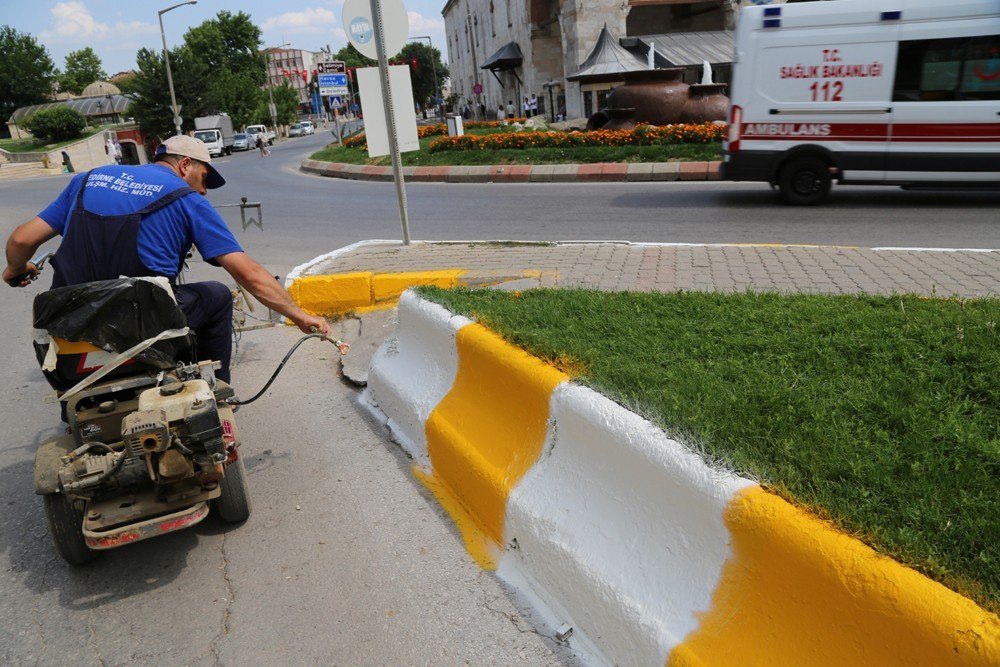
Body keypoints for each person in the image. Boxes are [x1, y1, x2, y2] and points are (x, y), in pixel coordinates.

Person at [3, 135, 330, 386]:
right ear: (185, 165)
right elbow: (249, 274)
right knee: (216, 296)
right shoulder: (187, 200)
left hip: (70, 324)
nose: (204, 191)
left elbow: (21, 240)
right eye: (204, 178)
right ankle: (218, 392)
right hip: (142, 324)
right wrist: (298, 315)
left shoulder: (86, 180)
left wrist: (17, 269)